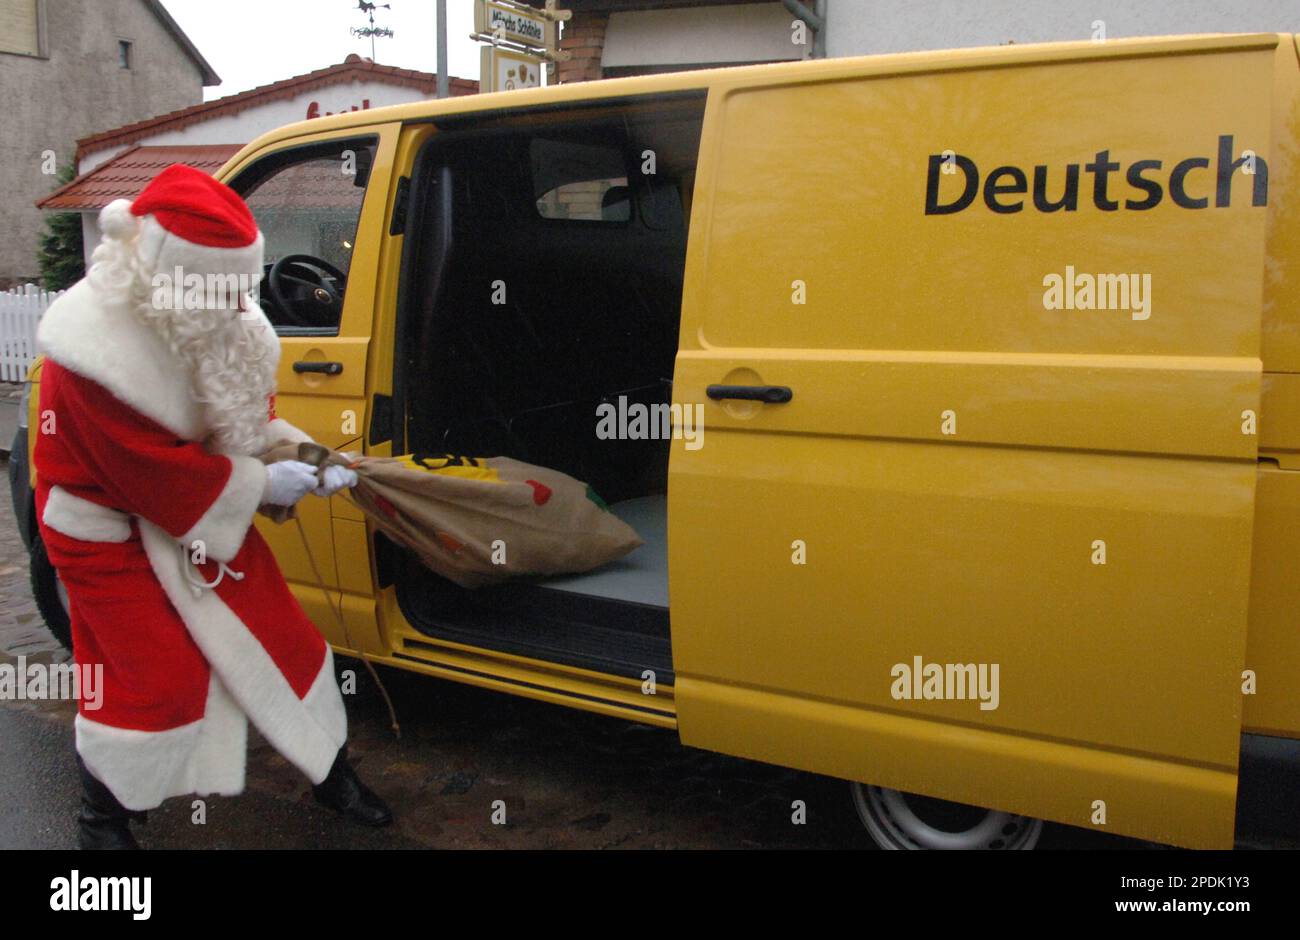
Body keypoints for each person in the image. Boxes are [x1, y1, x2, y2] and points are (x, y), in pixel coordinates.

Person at [33, 164, 392, 849]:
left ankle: (331, 771)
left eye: (240, 289)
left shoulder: (218, 309)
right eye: (223, 291)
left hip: (198, 509)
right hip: (106, 529)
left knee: (287, 642)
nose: (238, 305)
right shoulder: (88, 353)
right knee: (152, 680)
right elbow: (145, 474)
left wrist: (309, 457)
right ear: (172, 276)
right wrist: (264, 486)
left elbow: (242, 421)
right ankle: (102, 818)